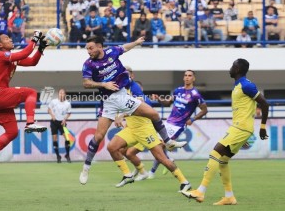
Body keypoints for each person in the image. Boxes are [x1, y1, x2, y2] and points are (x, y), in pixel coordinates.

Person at [79, 35, 187, 185]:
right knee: (98, 136)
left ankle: (168, 142)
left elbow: (125, 47)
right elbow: (86, 83)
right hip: (108, 101)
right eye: (87, 48)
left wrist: (136, 43)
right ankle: (86, 168)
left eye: (90, 48)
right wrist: (104, 85)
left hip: (122, 97)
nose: (88, 51)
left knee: (154, 114)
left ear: (99, 46)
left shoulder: (112, 52)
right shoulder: (88, 64)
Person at [181, 58, 269, 205]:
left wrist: (262, 127)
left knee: (215, 153)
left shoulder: (246, 85)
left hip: (241, 127)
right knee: (223, 161)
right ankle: (229, 196)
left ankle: (200, 191)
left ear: (238, 69)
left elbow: (264, 103)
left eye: (233, 66)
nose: (230, 68)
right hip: (240, 127)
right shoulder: (238, 86)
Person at [0, 31, 48, 177]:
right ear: (0, 45)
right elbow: (24, 53)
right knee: (31, 93)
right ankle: (30, 123)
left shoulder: (9, 58)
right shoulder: (0, 55)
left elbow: (32, 62)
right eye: (6, 38)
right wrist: (34, 40)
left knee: (12, 132)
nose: (10, 39)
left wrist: (40, 49)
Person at [107, 98, 192, 191]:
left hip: (145, 131)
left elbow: (139, 104)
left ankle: (184, 182)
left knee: (162, 158)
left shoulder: (134, 89)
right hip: (131, 129)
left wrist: (121, 115)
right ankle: (128, 175)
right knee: (112, 147)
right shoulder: (119, 93)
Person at [138, 70, 208, 179]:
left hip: (178, 125)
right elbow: (168, 102)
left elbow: (204, 110)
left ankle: (152, 172)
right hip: (168, 122)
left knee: (159, 146)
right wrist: (159, 99)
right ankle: (168, 161)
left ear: (194, 78)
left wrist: (193, 119)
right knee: (159, 145)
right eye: (185, 75)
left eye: (190, 76)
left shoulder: (195, 94)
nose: (187, 77)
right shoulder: (178, 90)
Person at [47, 88, 72, 163]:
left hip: (62, 122)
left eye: (63, 93)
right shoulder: (54, 101)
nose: (61, 94)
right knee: (55, 138)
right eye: (60, 93)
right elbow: (49, 109)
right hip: (54, 122)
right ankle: (58, 156)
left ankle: (67, 155)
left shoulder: (67, 103)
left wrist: (65, 119)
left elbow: (69, 113)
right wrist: (52, 116)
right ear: (58, 94)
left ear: (65, 94)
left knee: (67, 138)